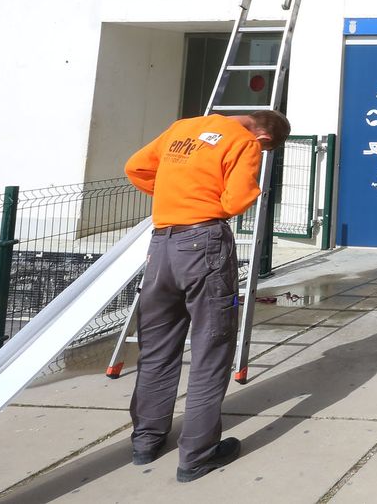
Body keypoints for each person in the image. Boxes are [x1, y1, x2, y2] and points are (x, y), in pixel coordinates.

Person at [123, 109, 289, 482]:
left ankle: (146, 441)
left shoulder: (183, 127)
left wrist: (176, 196)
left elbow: (136, 168)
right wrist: (204, 204)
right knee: (211, 352)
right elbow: (236, 201)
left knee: (156, 349)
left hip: (161, 246)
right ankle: (196, 456)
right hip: (203, 245)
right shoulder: (245, 142)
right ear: (263, 139)